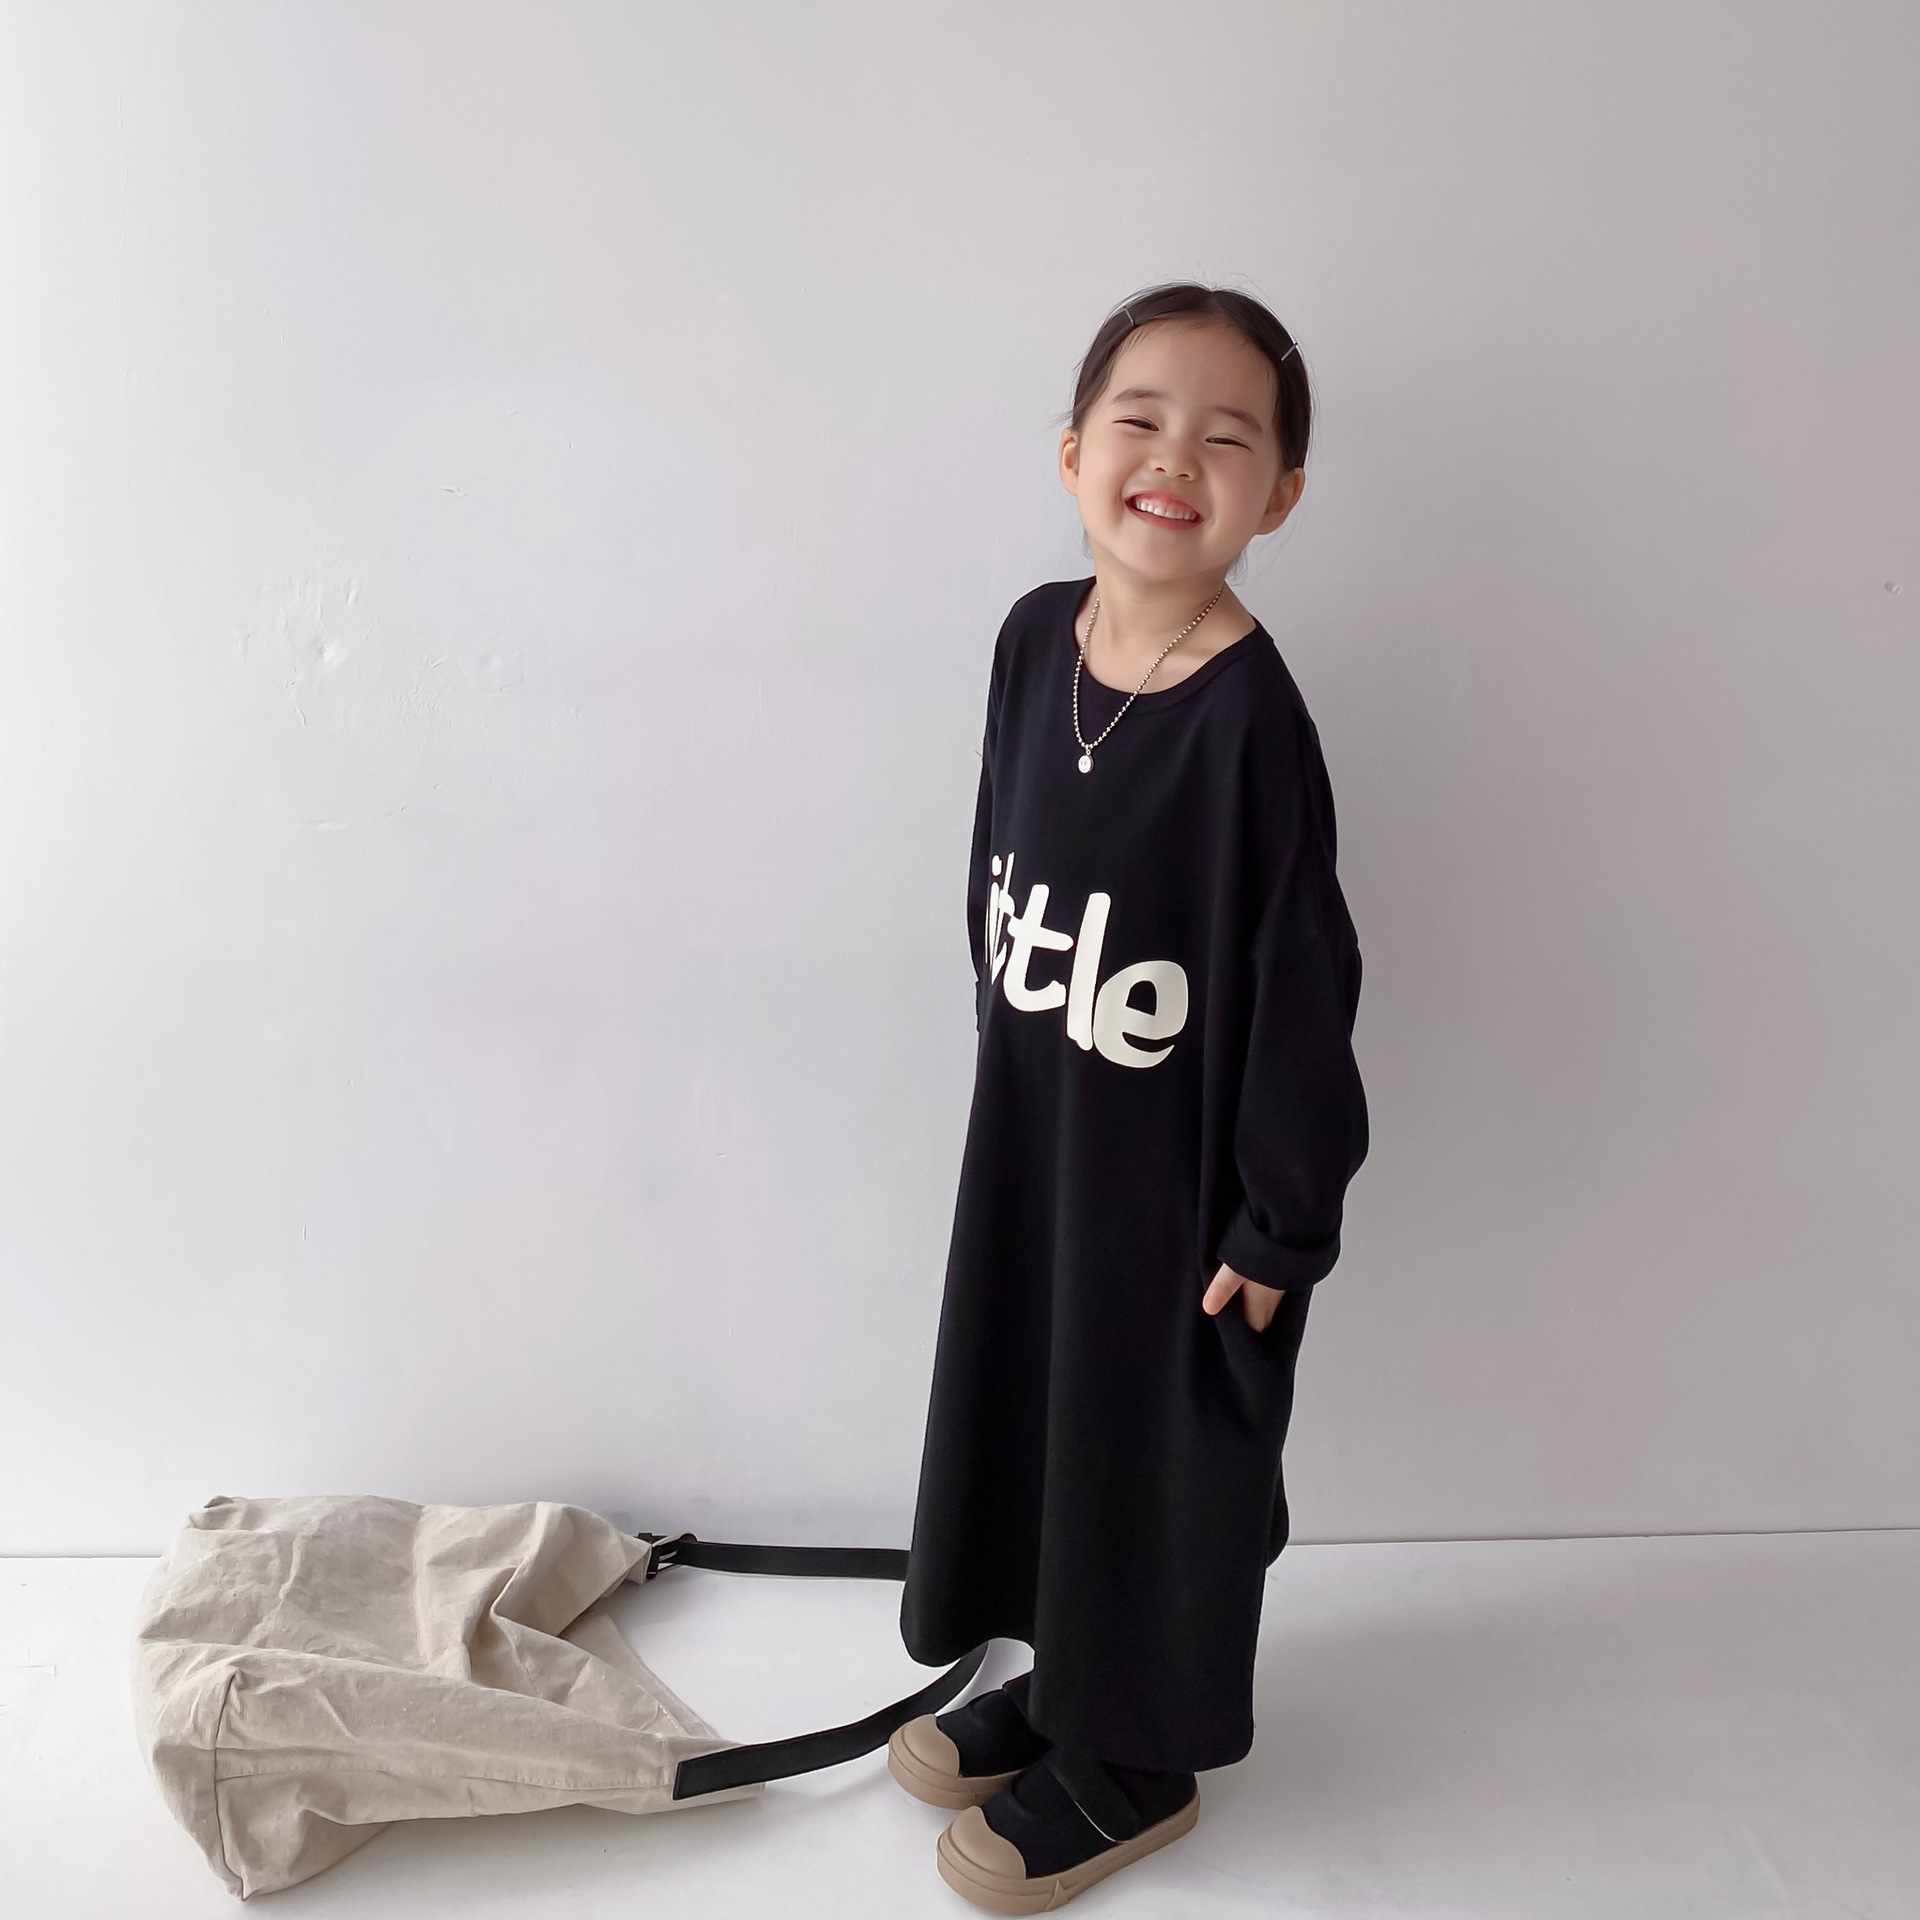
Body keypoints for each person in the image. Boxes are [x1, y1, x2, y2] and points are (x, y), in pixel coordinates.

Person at [887, 282, 1371, 1910]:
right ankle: (1066, 1680)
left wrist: (1281, 1217)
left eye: (1227, 439)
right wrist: (1006, 1031)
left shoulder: (1250, 723)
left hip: (1182, 1190)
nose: (1175, 458)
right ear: (1073, 451)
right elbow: (997, 844)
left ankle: (1140, 1755)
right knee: (1044, 1415)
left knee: (1160, 1452)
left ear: (1277, 496)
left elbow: (1303, 978)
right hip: (1045, 1135)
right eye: (1141, 421)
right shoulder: (1037, 638)